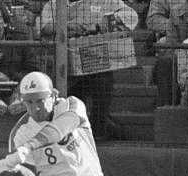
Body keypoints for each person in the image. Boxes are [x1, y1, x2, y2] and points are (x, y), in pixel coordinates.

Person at [40, 0, 138, 140]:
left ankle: (99, 130)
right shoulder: (54, 4)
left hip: (96, 65)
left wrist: (106, 22)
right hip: (66, 71)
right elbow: (44, 26)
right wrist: (67, 25)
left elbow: (131, 15)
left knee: (104, 80)